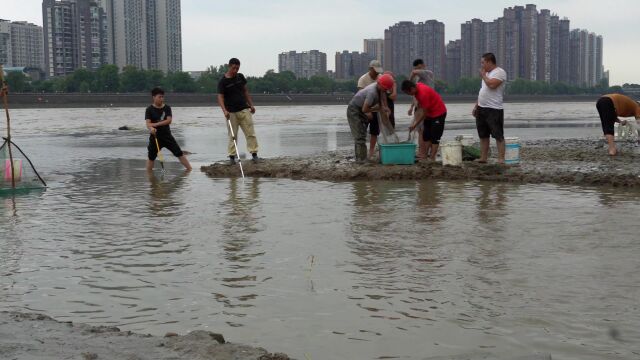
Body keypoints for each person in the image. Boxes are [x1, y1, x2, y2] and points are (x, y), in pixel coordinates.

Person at [217, 58, 259, 165]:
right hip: (231, 112)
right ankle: (232, 157)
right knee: (232, 135)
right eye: (233, 68)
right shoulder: (223, 82)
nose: (235, 70)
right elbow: (220, 97)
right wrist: (224, 111)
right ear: (229, 66)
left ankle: (254, 154)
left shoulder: (240, 77)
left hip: (244, 109)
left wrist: (251, 105)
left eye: (237, 68)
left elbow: (245, 91)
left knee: (250, 133)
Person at [347, 74, 394, 163]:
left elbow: (383, 99)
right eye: (385, 89)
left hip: (361, 109)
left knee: (362, 133)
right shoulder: (372, 92)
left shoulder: (381, 89)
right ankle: (362, 160)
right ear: (380, 84)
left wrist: (386, 108)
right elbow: (365, 109)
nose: (385, 91)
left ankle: (360, 158)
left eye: (386, 89)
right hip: (354, 110)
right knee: (359, 135)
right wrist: (378, 108)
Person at [145, 87, 192, 172]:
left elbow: (168, 121)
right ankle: (149, 175)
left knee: (179, 153)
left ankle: (189, 170)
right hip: (155, 137)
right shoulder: (149, 109)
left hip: (167, 136)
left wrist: (155, 124)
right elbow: (148, 124)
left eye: (163, 97)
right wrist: (151, 128)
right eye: (159, 97)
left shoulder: (167, 108)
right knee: (151, 157)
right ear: (154, 97)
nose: (162, 99)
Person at [472, 53, 507, 164]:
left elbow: (492, 85)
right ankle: (483, 157)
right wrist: (476, 106)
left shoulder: (499, 72)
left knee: (498, 135)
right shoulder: (486, 74)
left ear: (489, 62)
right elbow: (483, 90)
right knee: (483, 134)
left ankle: (501, 159)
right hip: (481, 108)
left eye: (483, 62)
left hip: (494, 108)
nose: (482, 65)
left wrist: (483, 75)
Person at [401, 80, 447, 161]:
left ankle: (432, 157)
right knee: (426, 136)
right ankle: (425, 156)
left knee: (435, 137)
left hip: (438, 113)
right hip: (429, 114)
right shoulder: (417, 86)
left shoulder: (423, 94)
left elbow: (424, 113)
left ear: (412, 89)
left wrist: (414, 125)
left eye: (408, 93)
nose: (409, 95)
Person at [407, 59, 435, 159]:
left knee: (423, 131)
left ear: (423, 66)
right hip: (418, 107)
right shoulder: (418, 79)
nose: (417, 70)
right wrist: (411, 107)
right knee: (420, 130)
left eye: (419, 68)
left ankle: (423, 153)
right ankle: (422, 152)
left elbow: (414, 73)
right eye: (415, 68)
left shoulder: (427, 74)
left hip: (425, 107)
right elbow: (415, 94)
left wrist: (409, 81)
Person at [357, 60, 384, 159]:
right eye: (375, 70)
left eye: (378, 70)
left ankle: (371, 152)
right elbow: (360, 97)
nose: (376, 72)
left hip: (376, 110)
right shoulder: (363, 79)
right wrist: (367, 111)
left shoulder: (380, 78)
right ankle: (361, 152)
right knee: (361, 132)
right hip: (364, 109)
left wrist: (383, 108)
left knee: (374, 132)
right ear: (370, 69)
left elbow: (383, 94)